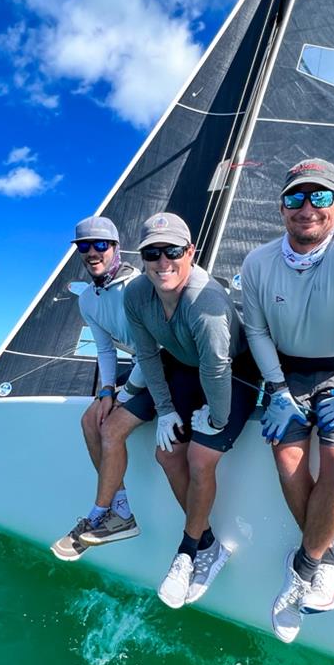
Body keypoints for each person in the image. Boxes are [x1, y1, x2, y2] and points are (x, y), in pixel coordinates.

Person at [240, 158, 334, 644]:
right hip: (286, 371)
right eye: (295, 198)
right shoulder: (257, 262)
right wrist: (279, 391)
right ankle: (325, 563)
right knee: (286, 458)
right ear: (281, 208)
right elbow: (257, 330)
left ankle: (304, 566)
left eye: (320, 197)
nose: (307, 207)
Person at [95, 212, 259, 609]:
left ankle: (186, 553)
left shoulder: (207, 304)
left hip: (235, 372)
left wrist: (217, 419)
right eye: (152, 252)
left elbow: (218, 369)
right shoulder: (137, 294)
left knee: (201, 458)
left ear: (191, 252)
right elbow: (148, 355)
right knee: (167, 453)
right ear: (143, 256)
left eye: (173, 251)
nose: (162, 261)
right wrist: (166, 410)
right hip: (185, 367)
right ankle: (208, 545)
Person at [51, 216, 146, 562]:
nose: (92, 252)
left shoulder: (139, 286)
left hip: (168, 366)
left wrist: (125, 394)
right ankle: (119, 509)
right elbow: (105, 349)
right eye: (84, 246)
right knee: (90, 419)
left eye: (100, 245)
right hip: (140, 368)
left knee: (110, 426)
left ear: (116, 248)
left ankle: (100, 513)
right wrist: (107, 390)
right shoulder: (87, 300)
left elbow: (155, 351)